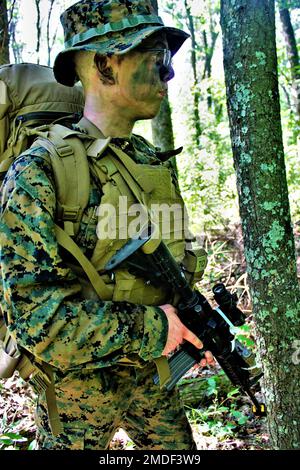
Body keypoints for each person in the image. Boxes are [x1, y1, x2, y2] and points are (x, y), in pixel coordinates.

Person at [0, 0, 214, 450]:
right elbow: (37, 321)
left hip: (153, 377)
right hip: (78, 397)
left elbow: (168, 264)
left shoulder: (147, 162)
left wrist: (193, 322)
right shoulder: (40, 172)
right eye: (158, 60)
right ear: (105, 65)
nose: (168, 75)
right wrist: (156, 328)